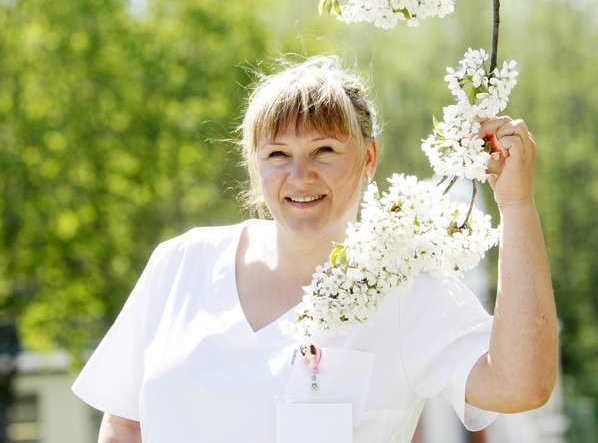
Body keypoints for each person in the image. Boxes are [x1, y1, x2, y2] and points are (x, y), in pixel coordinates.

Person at [72, 55, 558, 443]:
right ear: (253, 165)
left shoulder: (410, 288)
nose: (299, 176)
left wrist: (515, 203)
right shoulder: (182, 263)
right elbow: (125, 425)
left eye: (324, 150)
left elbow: (520, 385)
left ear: (368, 158)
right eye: (277, 155)